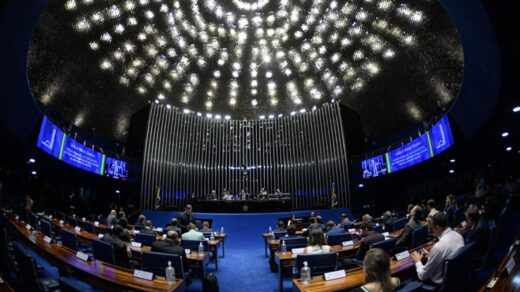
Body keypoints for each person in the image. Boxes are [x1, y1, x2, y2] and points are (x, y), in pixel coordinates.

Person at [411, 212, 464, 285]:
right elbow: (447, 255)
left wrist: (417, 261)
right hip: (456, 279)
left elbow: (423, 275)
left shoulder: (438, 247)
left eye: (432, 227)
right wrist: (431, 255)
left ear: (437, 227)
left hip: (438, 285)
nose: (432, 230)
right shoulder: (459, 236)